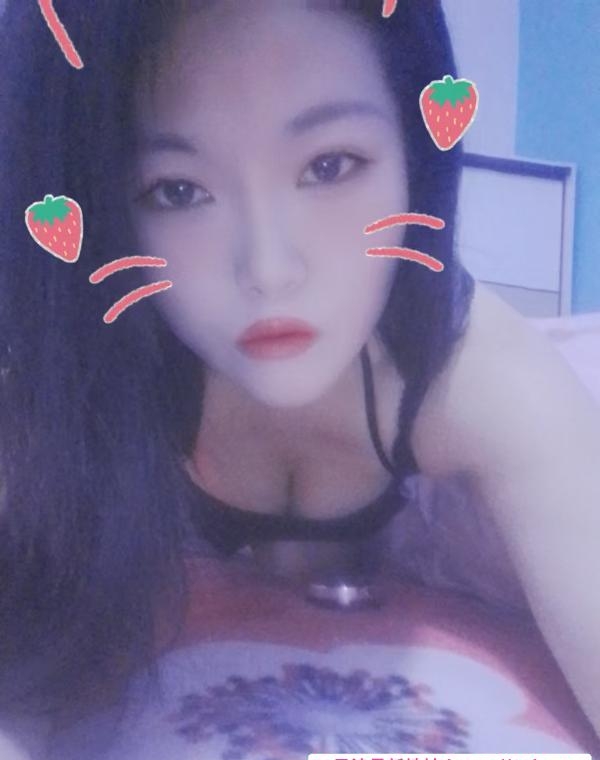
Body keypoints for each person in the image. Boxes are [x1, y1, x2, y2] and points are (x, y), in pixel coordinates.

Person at [0, 0, 599, 745]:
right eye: (177, 190)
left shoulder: (475, 373)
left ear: (414, 156)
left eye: (329, 165)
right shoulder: (75, 376)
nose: (269, 270)